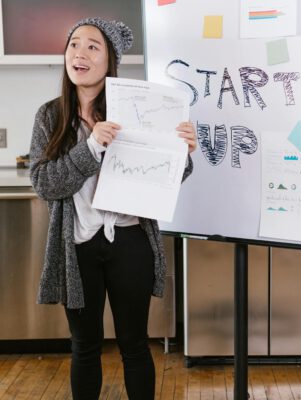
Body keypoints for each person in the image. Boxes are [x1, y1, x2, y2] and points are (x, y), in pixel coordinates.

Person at [29, 17, 196, 400]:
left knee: (135, 344)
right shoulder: (50, 116)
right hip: (78, 246)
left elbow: (165, 175)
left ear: (110, 61)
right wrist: (89, 148)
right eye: (74, 44)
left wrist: (182, 152)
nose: (80, 53)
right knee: (84, 346)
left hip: (130, 241)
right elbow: (44, 184)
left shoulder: (139, 109)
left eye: (92, 46)